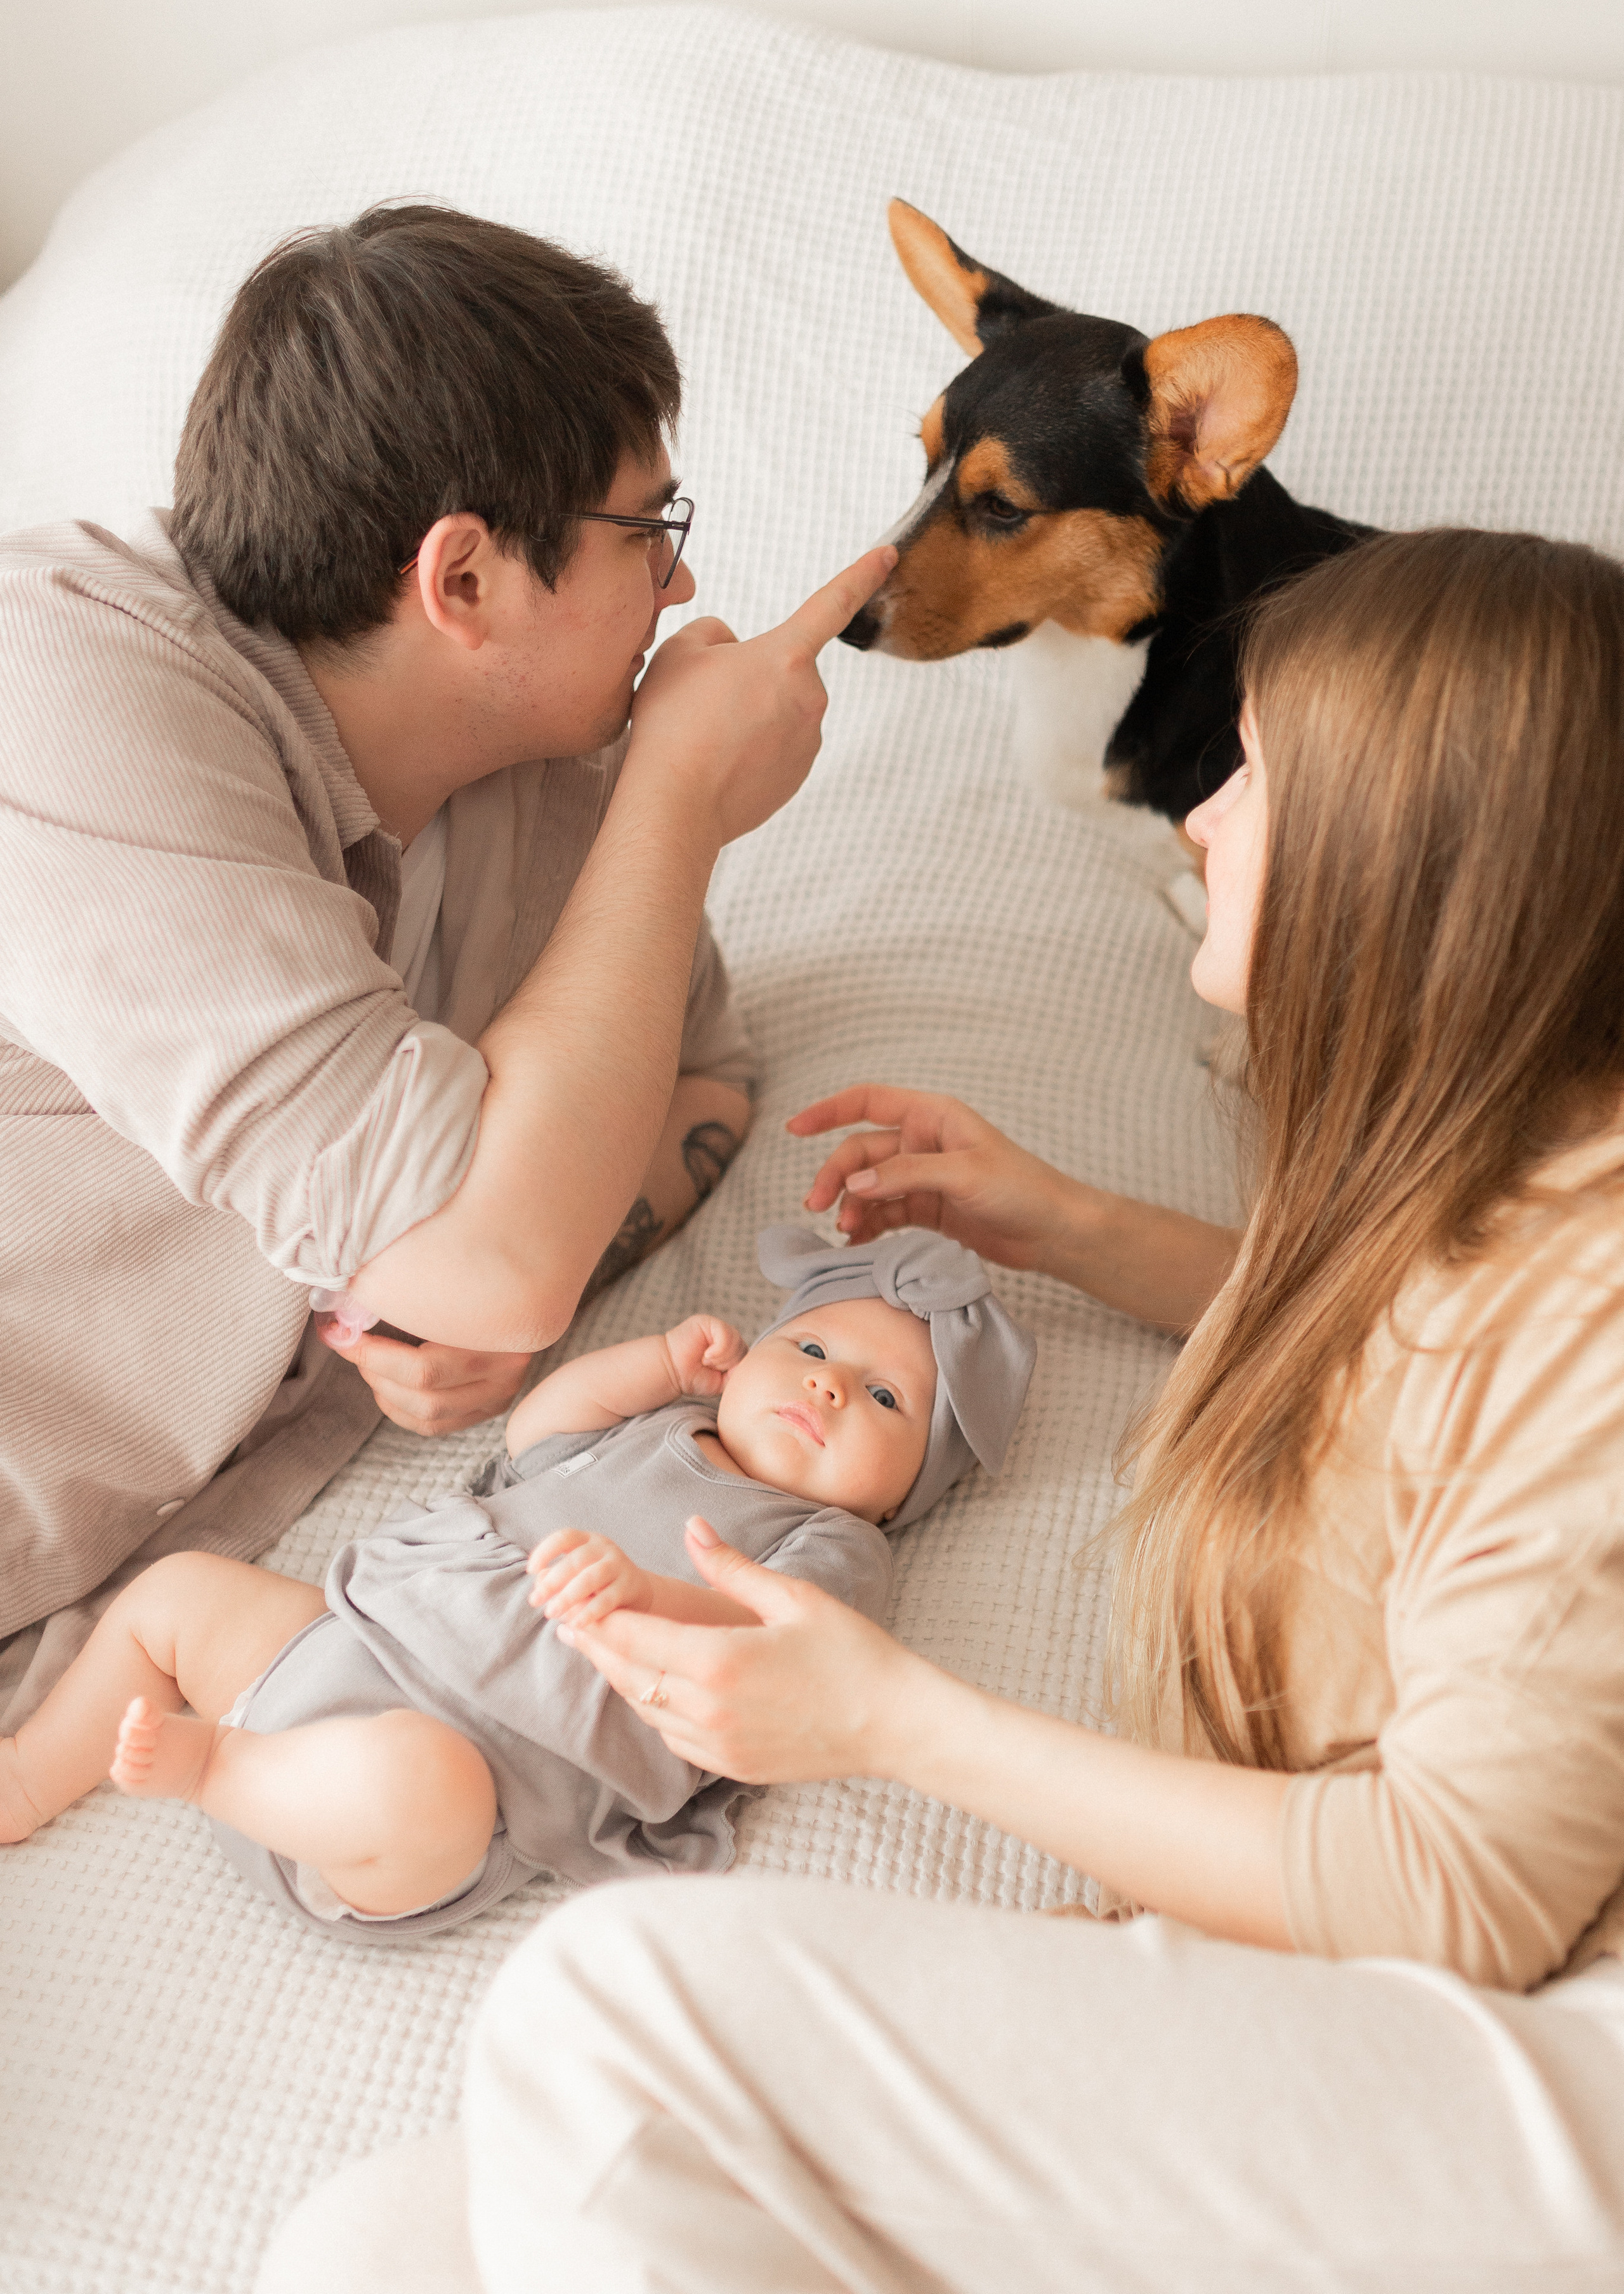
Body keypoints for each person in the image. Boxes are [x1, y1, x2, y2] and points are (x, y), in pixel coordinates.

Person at [261, 524, 1624, 2291]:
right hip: (1344, 2018)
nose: (1200, 816)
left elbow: (1453, 1892)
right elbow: (1420, 1374)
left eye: (1261, 777)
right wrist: (1069, 1224)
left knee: (615, 2012)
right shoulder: (1495, 1192)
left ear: (1419, 867)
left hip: (1556, 2071)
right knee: (362, 2252)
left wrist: (889, 1718)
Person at [0, 201, 893, 1729]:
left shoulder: (540, 766)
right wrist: (679, 796)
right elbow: (491, 1253)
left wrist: (415, 1334)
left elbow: (703, 1078)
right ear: (462, 580)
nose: (679, 592)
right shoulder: (64, 684)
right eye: (648, 532)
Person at [0, 1226, 1031, 1944]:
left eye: (884, 1397)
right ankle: (33, 1774)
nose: (828, 1384)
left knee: (419, 1783)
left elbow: (776, 1645)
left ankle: (219, 1770)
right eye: (811, 1346)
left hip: (465, 1780)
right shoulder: (666, 1425)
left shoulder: (838, 1544)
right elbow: (539, 1433)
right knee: (179, 1593)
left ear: (901, 1498)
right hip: (353, 1645)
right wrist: (662, 1363)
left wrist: (649, 1596)